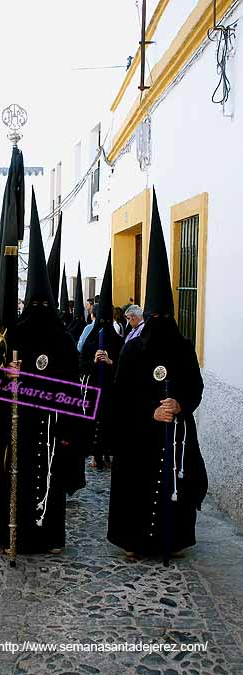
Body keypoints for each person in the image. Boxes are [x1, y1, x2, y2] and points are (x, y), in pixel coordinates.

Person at [107, 189, 208, 558]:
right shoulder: (133, 348)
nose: (160, 323)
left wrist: (179, 403)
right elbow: (121, 395)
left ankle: (175, 538)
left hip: (176, 430)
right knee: (138, 484)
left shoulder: (182, 347)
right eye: (156, 318)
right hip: (140, 434)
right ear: (148, 316)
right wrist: (150, 410)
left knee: (175, 485)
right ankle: (135, 541)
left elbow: (195, 386)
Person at [0, 190, 85, 553]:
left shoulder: (62, 339)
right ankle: (9, 532)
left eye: (46, 303)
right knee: (18, 478)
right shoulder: (13, 333)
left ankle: (48, 536)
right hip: (19, 424)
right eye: (36, 302)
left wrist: (72, 430)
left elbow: (74, 388)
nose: (41, 308)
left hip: (52, 426)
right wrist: (5, 376)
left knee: (50, 479)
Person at [80, 252, 123, 471]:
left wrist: (111, 362)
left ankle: (106, 453)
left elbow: (125, 366)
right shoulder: (90, 339)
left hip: (111, 391)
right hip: (93, 389)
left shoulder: (119, 341)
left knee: (109, 423)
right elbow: (82, 363)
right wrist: (92, 361)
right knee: (92, 423)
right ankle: (93, 455)